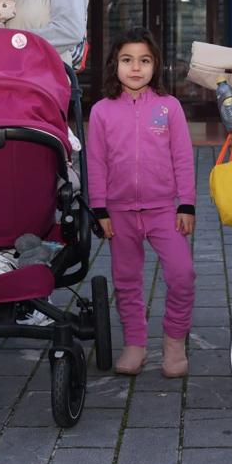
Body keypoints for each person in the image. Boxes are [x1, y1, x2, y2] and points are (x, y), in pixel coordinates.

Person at [86, 28, 196, 378]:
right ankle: (135, 344)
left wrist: (187, 204)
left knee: (182, 274)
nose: (136, 68)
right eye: (127, 60)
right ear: (114, 65)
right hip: (119, 213)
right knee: (127, 281)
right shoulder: (102, 111)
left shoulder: (169, 107)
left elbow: (183, 157)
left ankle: (174, 342)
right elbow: (95, 163)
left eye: (144, 61)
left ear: (156, 66)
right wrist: (99, 208)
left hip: (164, 209)